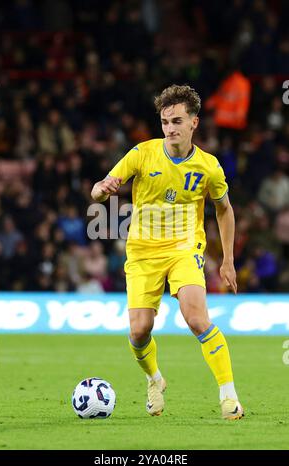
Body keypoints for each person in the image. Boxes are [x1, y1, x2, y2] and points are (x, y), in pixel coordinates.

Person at [91, 84, 244, 420]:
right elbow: (98, 191)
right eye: (164, 122)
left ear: (194, 123)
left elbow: (224, 209)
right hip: (143, 252)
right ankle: (154, 379)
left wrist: (228, 261)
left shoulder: (209, 167)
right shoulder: (142, 153)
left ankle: (229, 396)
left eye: (177, 121)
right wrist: (103, 189)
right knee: (139, 330)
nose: (170, 128)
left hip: (184, 249)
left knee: (196, 318)